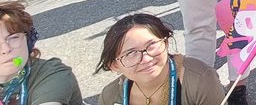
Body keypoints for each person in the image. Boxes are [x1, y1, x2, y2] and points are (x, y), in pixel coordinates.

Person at [96, 13, 227, 105]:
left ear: (166, 43)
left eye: (151, 45)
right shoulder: (110, 97)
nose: (146, 58)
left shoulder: (200, 80)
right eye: (131, 53)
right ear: (114, 65)